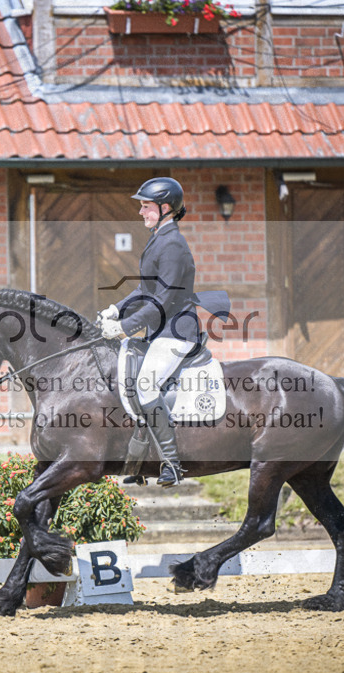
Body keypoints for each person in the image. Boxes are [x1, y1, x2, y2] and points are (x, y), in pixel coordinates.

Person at [97, 177, 201, 487]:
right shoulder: (159, 237)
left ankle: (171, 463)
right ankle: (139, 458)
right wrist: (117, 308)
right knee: (127, 377)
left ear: (165, 207)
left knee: (145, 385)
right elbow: (145, 289)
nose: (141, 211)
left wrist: (124, 328)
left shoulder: (172, 244)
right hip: (160, 331)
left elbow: (163, 299)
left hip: (176, 332)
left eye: (145, 206)